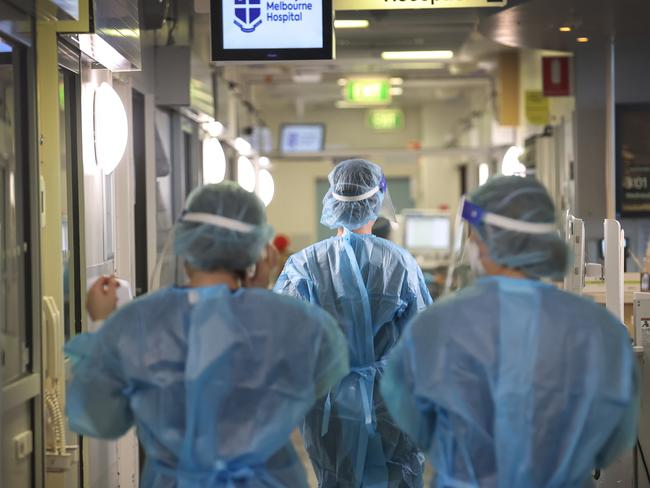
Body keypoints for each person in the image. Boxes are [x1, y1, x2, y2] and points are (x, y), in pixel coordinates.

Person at [66, 182, 349, 488]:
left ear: (187, 242)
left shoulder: (137, 323)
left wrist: (104, 324)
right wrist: (258, 301)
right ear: (256, 250)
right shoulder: (298, 323)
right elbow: (318, 384)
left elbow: (100, 418)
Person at [381, 176, 639, 488]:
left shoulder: (435, 326)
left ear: (487, 241)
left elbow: (414, 421)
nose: (472, 244)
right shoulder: (599, 331)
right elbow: (613, 438)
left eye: (474, 236)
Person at [274, 159, 432, 487]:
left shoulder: (303, 266)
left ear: (332, 200)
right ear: (376, 202)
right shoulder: (401, 263)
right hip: (392, 404)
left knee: (337, 478)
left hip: (330, 410)